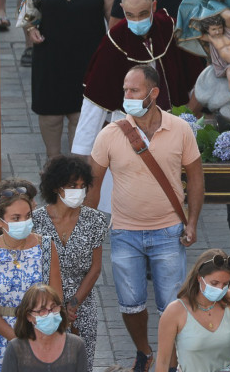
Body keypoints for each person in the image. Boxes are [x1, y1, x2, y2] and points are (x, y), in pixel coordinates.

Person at [87, 64, 205, 372]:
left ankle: (170, 363)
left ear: (153, 93)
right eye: (125, 90)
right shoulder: (110, 135)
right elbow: (93, 185)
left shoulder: (180, 129)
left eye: (134, 90)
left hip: (169, 232)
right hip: (124, 233)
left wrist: (192, 222)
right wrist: (87, 230)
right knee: (130, 304)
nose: (126, 95)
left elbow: (195, 177)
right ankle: (144, 351)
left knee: (172, 306)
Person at [70, 0, 204, 214]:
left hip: (168, 125)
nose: (137, 21)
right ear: (122, 9)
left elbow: (193, 77)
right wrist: (82, 150)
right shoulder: (115, 40)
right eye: (130, 15)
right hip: (127, 128)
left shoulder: (170, 29)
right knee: (126, 200)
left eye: (143, 13)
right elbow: (95, 98)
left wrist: (190, 117)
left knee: (167, 197)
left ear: (153, 6)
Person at [25, 0, 114, 158]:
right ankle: (53, 162)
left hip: (87, 58)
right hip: (50, 56)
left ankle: (78, 168)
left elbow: (113, 17)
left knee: (80, 114)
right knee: (50, 115)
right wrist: (31, 29)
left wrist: (112, 52)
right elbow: (28, 11)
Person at [31, 156, 108, 372]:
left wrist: (72, 306)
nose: (79, 191)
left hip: (81, 306)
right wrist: (56, 308)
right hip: (43, 305)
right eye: (73, 186)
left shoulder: (95, 220)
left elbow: (95, 268)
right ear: (56, 187)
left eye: (83, 186)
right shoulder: (35, 221)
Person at [0, 183, 62, 372]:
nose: (23, 222)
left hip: (42, 334)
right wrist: (16, 339)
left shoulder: (47, 246)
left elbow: (57, 297)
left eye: (27, 216)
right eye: (16, 218)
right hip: (3, 338)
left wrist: (42, 335)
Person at [2, 283, 87, 372]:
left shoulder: (76, 345)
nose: (50, 314)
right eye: (42, 310)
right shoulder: (15, 348)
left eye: (53, 307)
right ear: (29, 316)